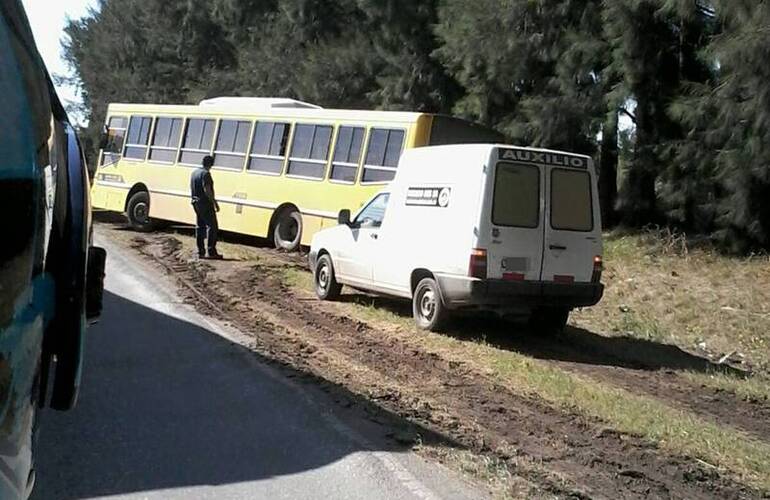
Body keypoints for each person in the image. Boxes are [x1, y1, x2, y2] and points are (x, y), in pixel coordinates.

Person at [190, 155, 223, 259]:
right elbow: (207, 189)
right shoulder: (206, 174)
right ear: (211, 164)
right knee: (212, 226)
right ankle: (211, 251)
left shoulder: (194, 173)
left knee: (200, 226)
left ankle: (200, 252)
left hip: (195, 202)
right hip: (205, 203)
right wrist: (214, 202)